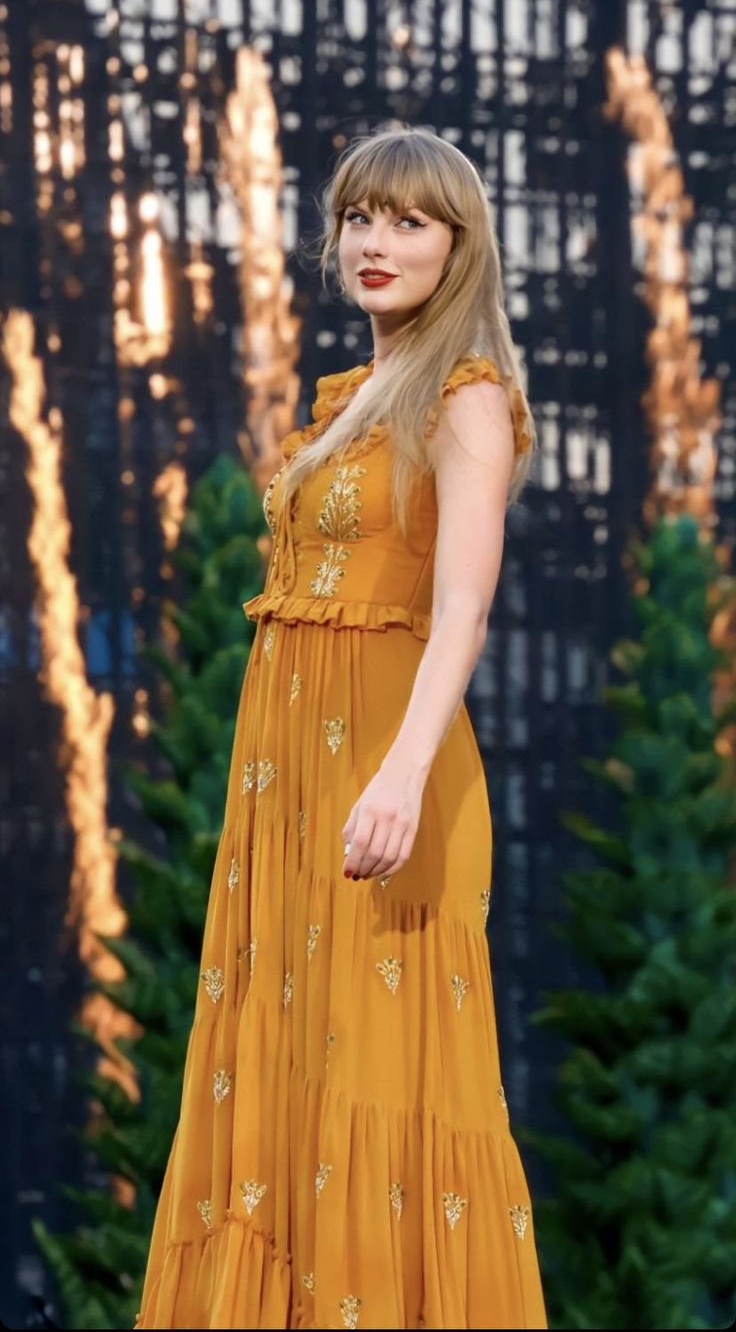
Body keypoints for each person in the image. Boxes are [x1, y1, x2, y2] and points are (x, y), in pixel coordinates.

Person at [134, 124, 547, 1330]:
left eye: (408, 220)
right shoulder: (351, 396)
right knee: (282, 1072)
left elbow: (461, 609)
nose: (374, 241)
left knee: (381, 1067)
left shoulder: (467, 399)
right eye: (360, 216)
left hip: (385, 768)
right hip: (290, 779)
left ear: (458, 246)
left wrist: (402, 777)